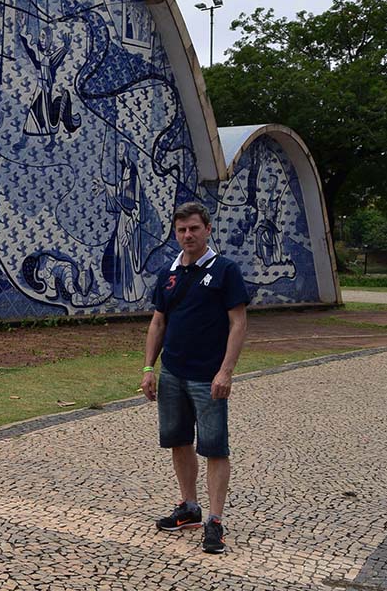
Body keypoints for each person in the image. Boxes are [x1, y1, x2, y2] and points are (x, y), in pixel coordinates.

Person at [141, 201, 249, 553]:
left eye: (194, 229)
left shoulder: (225, 270)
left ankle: (214, 520)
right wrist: (148, 368)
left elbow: (238, 322)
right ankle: (189, 506)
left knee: (215, 447)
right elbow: (158, 322)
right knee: (178, 440)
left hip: (208, 376)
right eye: (182, 230)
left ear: (207, 229)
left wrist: (226, 371)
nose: (188, 235)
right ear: (176, 233)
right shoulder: (168, 274)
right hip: (172, 372)